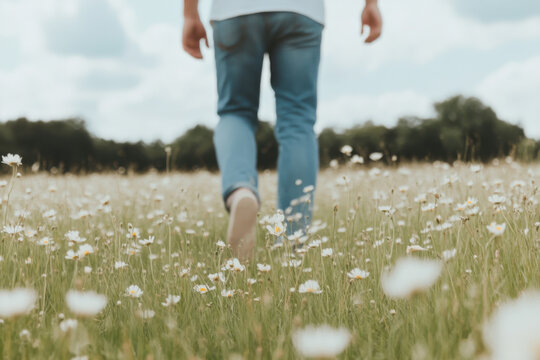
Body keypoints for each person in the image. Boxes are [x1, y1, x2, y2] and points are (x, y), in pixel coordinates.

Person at [182, 0, 382, 260]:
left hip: (234, 10)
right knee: (298, 120)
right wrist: (371, 4)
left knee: (235, 112)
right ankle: (293, 245)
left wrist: (189, 13)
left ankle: (241, 190)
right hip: (301, 11)